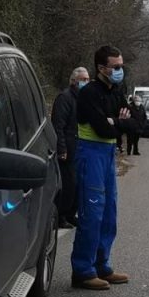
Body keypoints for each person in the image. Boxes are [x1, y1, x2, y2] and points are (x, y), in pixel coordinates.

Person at [70, 45, 131, 291]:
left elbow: (138, 122)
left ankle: (102, 265)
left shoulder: (117, 91)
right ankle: (83, 271)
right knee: (92, 213)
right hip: (90, 154)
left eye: (121, 66)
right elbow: (101, 129)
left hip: (107, 155)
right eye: (115, 67)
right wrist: (121, 123)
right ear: (101, 68)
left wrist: (115, 122)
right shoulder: (89, 94)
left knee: (109, 213)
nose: (119, 70)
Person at [52, 66, 89, 228]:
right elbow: (58, 125)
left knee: (79, 183)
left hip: (81, 147)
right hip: (68, 146)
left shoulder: (84, 98)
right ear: (74, 81)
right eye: (83, 80)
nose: (86, 82)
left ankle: (71, 213)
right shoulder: (65, 98)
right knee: (69, 184)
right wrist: (62, 149)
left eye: (88, 79)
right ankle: (60, 215)